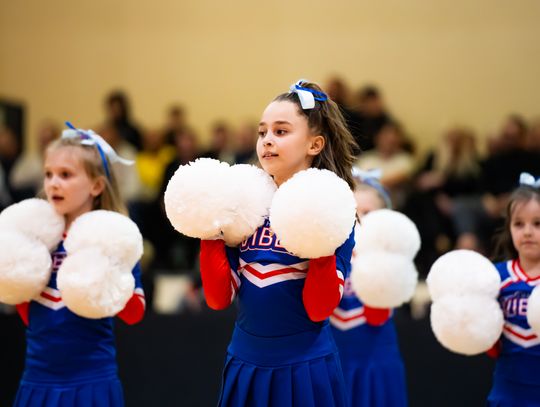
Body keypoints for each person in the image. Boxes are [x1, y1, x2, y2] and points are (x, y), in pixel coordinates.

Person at [200, 80, 357, 406]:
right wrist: (208, 232)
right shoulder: (244, 206)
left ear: (314, 144)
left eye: (281, 131)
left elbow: (319, 308)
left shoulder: (334, 210)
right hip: (245, 360)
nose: (267, 140)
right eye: (262, 132)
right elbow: (218, 298)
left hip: (305, 367)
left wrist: (319, 242)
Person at [13, 125, 145, 407]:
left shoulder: (115, 238)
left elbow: (135, 313)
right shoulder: (35, 239)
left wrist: (104, 270)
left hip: (92, 382)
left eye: (66, 175)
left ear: (96, 185)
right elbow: (28, 314)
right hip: (37, 380)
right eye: (48, 174)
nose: (53, 183)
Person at [330, 169, 407, 407]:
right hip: (332, 355)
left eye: (367, 213)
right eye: (353, 214)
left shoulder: (393, 258)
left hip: (375, 357)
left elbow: (377, 314)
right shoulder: (327, 252)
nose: (359, 221)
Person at [488, 173, 540, 405]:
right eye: (519, 224)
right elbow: (488, 343)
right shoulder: (495, 276)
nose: (527, 231)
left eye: (537, 224)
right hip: (507, 392)